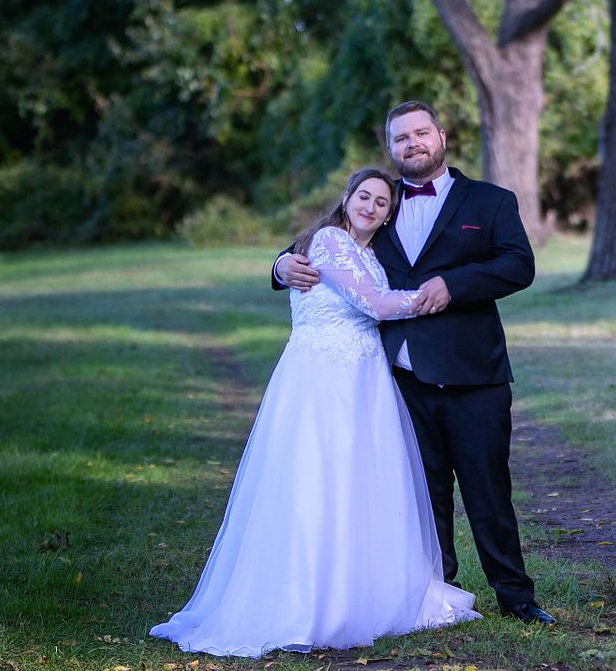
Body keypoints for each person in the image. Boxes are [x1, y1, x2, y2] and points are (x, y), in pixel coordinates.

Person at [150, 168, 478, 657]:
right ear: (346, 198)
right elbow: (376, 305)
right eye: (363, 196)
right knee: (314, 482)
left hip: (365, 382)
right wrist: (432, 296)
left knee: (362, 484)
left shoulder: (370, 253)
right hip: (323, 381)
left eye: (382, 203)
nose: (370, 206)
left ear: (390, 215)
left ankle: (367, 593)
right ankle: (306, 602)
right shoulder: (328, 240)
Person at [273, 100, 555, 625]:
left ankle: (516, 597)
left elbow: (519, 264)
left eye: (420, 133)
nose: (412, 144)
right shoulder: (380, 203)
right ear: (391, 149)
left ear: (441, 136)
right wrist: (280, 263)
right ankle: (433, 591)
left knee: (488, 490)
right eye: (401, 138)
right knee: (420, 495)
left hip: (474, 372)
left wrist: (455, 284)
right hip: (398, 377)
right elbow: (317, 245)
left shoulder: (490, 201)